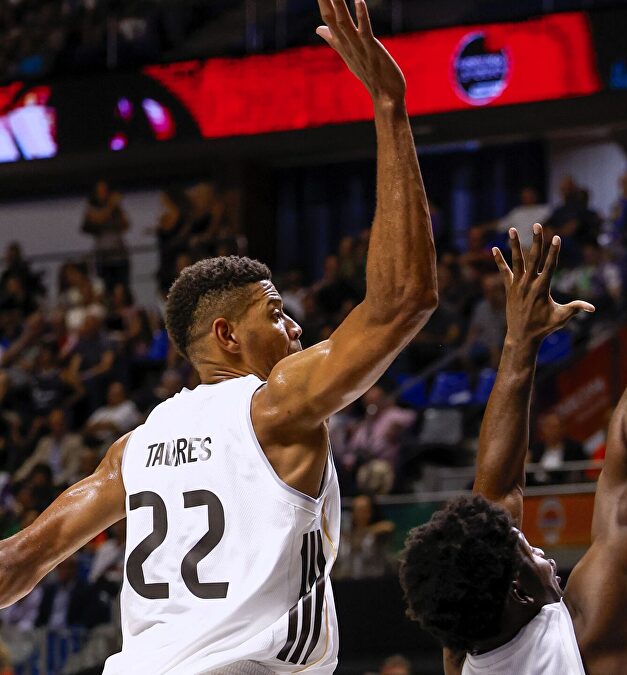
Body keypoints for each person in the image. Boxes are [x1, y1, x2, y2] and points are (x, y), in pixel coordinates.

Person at [0, 3, 437, 671]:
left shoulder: (132, 449)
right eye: (276, 313)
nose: (295, 327)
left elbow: (18, 562)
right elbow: (404, 299)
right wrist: (390, 108)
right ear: (228, 333)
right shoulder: (277, 404)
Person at [400, 198, 627, 674]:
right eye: (529, 552)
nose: (542, 551)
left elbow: (495, 494)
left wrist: (519, 341)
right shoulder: (585, 635)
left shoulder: (462, 649)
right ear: (519, 591)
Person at [81, 180, 131, 291]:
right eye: (100, 191)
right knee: (106, 288)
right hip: (103, 257)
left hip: (119, 254)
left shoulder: (116, 209)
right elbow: (98, 219)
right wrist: (111, 205)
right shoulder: (92, 208)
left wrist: (118, 206)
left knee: (123, 288)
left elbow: (126, 225)